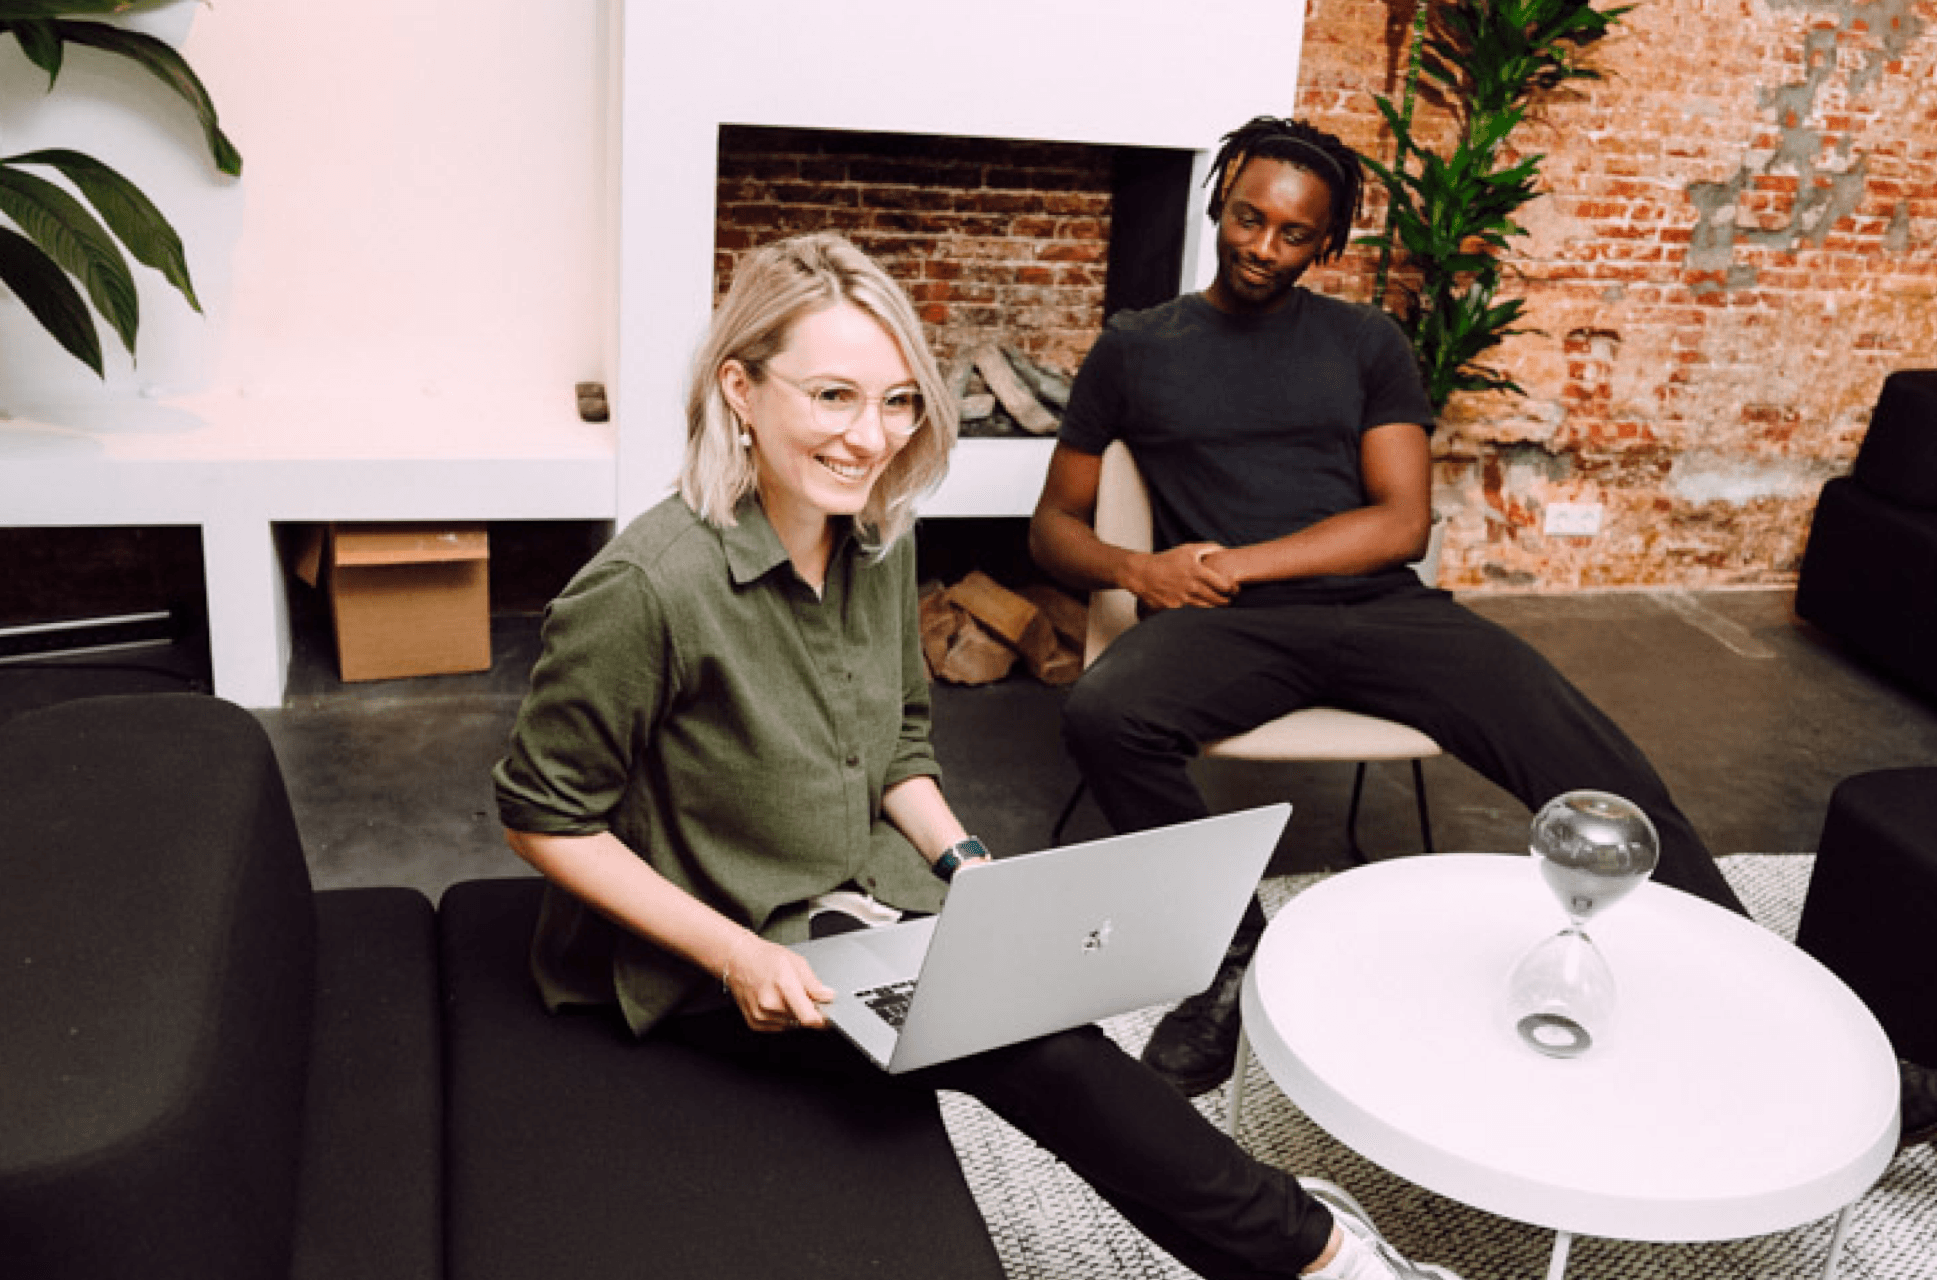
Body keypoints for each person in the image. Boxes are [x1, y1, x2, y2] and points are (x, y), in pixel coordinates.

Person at [1027, 117, 1937, 1144]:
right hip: (1226, 629)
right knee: (1106, 713)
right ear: (1218, 202)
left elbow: (1400, 519)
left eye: (1294, 233)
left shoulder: (1365, 343)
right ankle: (1235, 960)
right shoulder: (1136, 348)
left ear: (1326, 244)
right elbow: (1053, 528)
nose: (1263, 247)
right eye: (1249, 217)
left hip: (1380, 611)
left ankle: (1853, 1072)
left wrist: (1241, 557)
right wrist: (1137, 568)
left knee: (1609, 786)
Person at [493, 232, 1463, 1280]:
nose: (871, 438)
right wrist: (736, 955)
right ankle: (1325, 1258)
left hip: (851, 900)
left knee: (1042, 1005)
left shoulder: (876, 535)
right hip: (712, 956)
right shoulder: (647, 588)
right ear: (740, 387)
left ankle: (1297, 1250)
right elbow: (543, 815)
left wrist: (964, 862)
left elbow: (900, 744)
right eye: (833, 396)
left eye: (899, 400)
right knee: (1035, 1041)